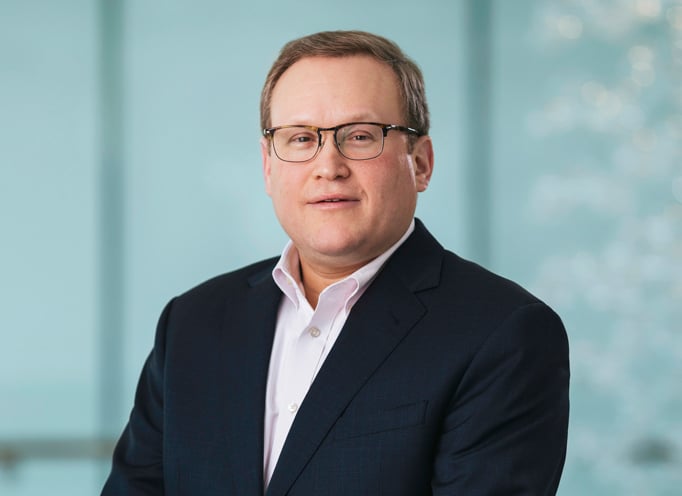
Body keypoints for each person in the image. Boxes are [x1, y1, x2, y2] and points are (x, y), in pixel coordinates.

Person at [102, 30, 569, 495]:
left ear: (421, 163)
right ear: (268, 166)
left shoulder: (503, 333)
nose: (328, 166)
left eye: (360, 136)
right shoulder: (193, 323)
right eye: (301, 138)